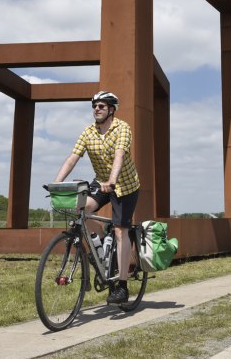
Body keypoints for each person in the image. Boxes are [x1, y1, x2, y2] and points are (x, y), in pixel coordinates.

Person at [53, 90, 140, 305]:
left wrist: (112, 181)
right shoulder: (88, 132)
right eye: (94, 106)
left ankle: (121, 285)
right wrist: (57, 182)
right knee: (81, 209)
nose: (96, 109)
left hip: (125, 185)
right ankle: (101, 246)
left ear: (111, 110)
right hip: (101, 181)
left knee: (121, 230)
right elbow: (73, 157)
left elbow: (119, 155)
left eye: (101, 106)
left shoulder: (122, 128)